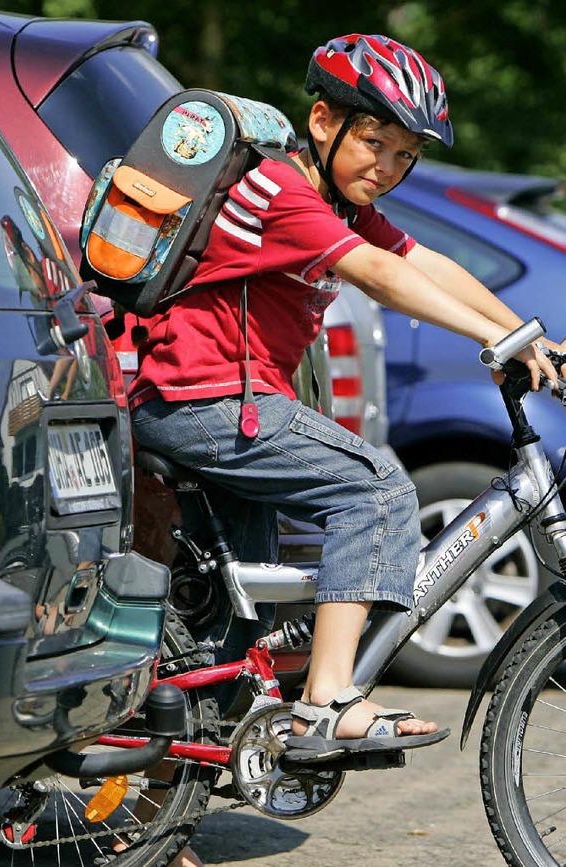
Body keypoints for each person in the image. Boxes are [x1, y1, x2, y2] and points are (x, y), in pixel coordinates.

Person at [128, 32, 561, 774]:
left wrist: (527, 336)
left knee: (227, 642)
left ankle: (151, 818)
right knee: (378, 487)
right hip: (202, 400)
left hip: (234, 405)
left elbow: (424, 261)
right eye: (375, 143)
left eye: (405, 156)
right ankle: (329, 699)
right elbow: (380, 278)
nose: (388, 168)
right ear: (324, 122)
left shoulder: (336, 197)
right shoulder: (279, 191)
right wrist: (498, 340)